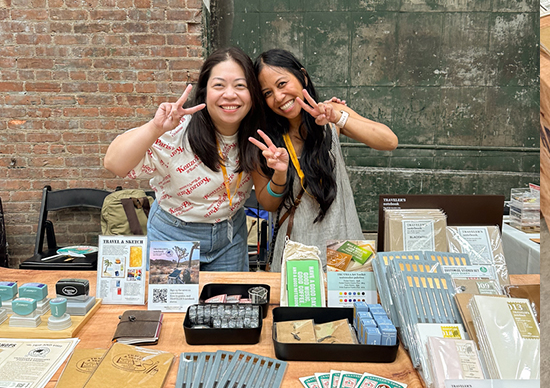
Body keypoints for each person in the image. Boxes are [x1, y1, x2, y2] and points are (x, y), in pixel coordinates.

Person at [104, 47, 264, 271]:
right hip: (173, 236)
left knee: (229, 305)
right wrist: (155, 128)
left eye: (240, 85)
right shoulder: (177, 131)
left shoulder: (259, 133)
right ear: (204, 92)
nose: (230, 94)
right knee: (174, 306)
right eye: (219, 85)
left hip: (230, 238)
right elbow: (114, 163)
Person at [249, 48, 398, 271]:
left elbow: (389, 141)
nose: (278, 97)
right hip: (296, 250)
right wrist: (280, 172)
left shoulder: (331, 116)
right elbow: (268, 204)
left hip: (345, 245)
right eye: (267, 93)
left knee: (349, 305)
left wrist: (339, 117)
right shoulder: (265, 139)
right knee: (299, 305)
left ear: (303, 77)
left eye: (282, 84)